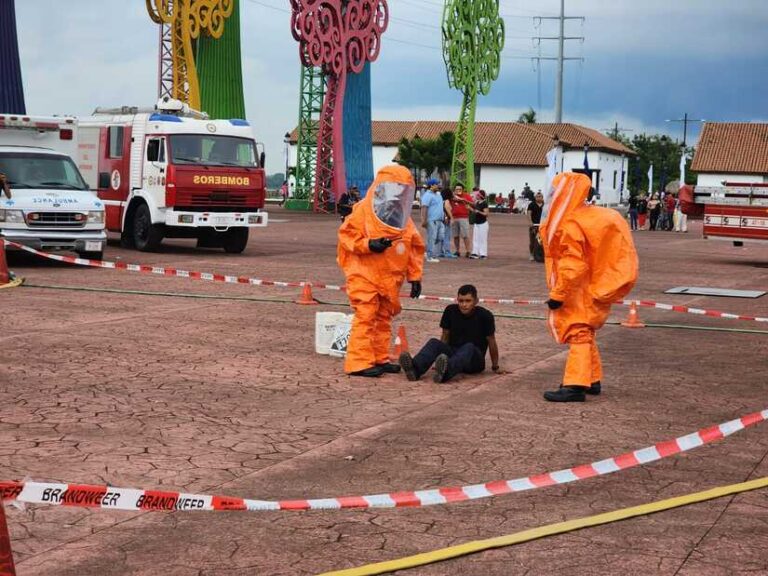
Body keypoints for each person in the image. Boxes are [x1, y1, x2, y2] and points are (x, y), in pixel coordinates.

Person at [539, 172, 638, 402]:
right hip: (589, 288)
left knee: (578, 334)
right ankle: (591, 379)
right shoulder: (584, 217)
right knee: (586, 332)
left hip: (577, 291)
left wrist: (558, 294)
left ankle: (575, 385)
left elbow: (573, 265)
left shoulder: (569, 224)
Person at [338, 165, 425, 377]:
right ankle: (358, 363)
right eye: (394, 188)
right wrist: (369, 245)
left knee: (384, 317)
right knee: (366, 315)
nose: (398, 193)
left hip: (390, 277)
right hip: (365, 273)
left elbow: (414, 247)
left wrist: (415, 277)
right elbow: (347, 236)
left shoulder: (402, 219)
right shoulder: (362, 211)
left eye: (402, 189)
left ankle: (379, 357)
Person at [399, 284, 500, 383]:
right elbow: (445, 335)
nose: (464, 304)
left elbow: (492, 341)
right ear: (457, 300)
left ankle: (446, 372)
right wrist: (440, 360)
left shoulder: (485, 316)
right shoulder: (450, 311)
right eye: (461, 301)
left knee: (469, 346)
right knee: (434, 343)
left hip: (474, 360)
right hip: (454, 354)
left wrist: (495, 367)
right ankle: (415, 369)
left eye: (468, 301)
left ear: (476, 301)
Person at [420, 182, 443, 263]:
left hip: (440, 220)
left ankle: (427, 251)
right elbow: (424, 208)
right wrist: (424, 220)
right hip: (431, 220)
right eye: (436, 184)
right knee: (432, 238)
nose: (438, 186)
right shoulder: (427, 195)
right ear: (431, 185)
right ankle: (430, 256)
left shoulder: (438, 195)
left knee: (440, 237)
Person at [451, 183, 473, 257]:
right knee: (455, 235)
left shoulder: (466, 196)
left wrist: (464, 200)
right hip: (454, 218)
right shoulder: (452, 197)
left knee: (465, 235)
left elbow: (473, 204)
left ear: (463, 190)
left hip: (464, 217)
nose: (458, 190)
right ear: (454, 190)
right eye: (457, 189)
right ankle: (457, 251)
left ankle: (468, 251)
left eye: (460, 189)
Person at [469, 189, 490, 258]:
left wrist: (479, 212)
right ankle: (475, 253)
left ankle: (483, 254)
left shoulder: (484, 203)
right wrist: (470, 209)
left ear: (480, 196)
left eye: (477, 195)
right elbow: (475, 211)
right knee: (475, 238)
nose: (476, 196)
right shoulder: (477, 202)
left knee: (482, 239)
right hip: (476, 223)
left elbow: (486, 214)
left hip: (483, 223)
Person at [527, 191, 545, 262]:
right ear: (535, 197)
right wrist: (530, 222)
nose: (539, 198)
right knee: (533, 241)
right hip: (534, 225)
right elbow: (529, 214)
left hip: (543, 225)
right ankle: (531, 254)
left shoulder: (545, 205)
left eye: (540, 196)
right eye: (537, 197)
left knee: (542, 241)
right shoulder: (531, 204)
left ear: (542, 197)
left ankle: (541, 255)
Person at [440, 187, 457, 258]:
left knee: (442, 236)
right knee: (447, 236)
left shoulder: (441, 200)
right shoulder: (447, 201)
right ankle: (447, 252)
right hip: (447, 219)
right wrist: (452, 218)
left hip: (442, 219)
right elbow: (447, 209)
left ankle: (441, 251)